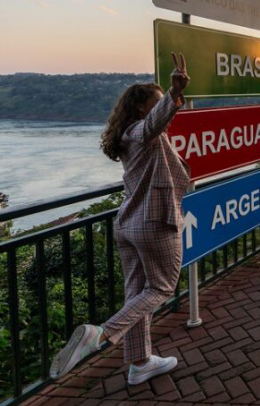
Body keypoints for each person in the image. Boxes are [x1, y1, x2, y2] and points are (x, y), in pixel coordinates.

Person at [51, 53, 190, 385]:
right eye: (156, 102)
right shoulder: (143, 132)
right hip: (154, 223)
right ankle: (99, 334)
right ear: (142, 108)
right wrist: (174, 92)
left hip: (128, 223)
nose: (161, 107)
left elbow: (157, 126)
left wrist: (170, 99)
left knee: (137, 292)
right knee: (161, 287)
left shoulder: (128, 135)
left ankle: (140, 363)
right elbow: (155, 123)